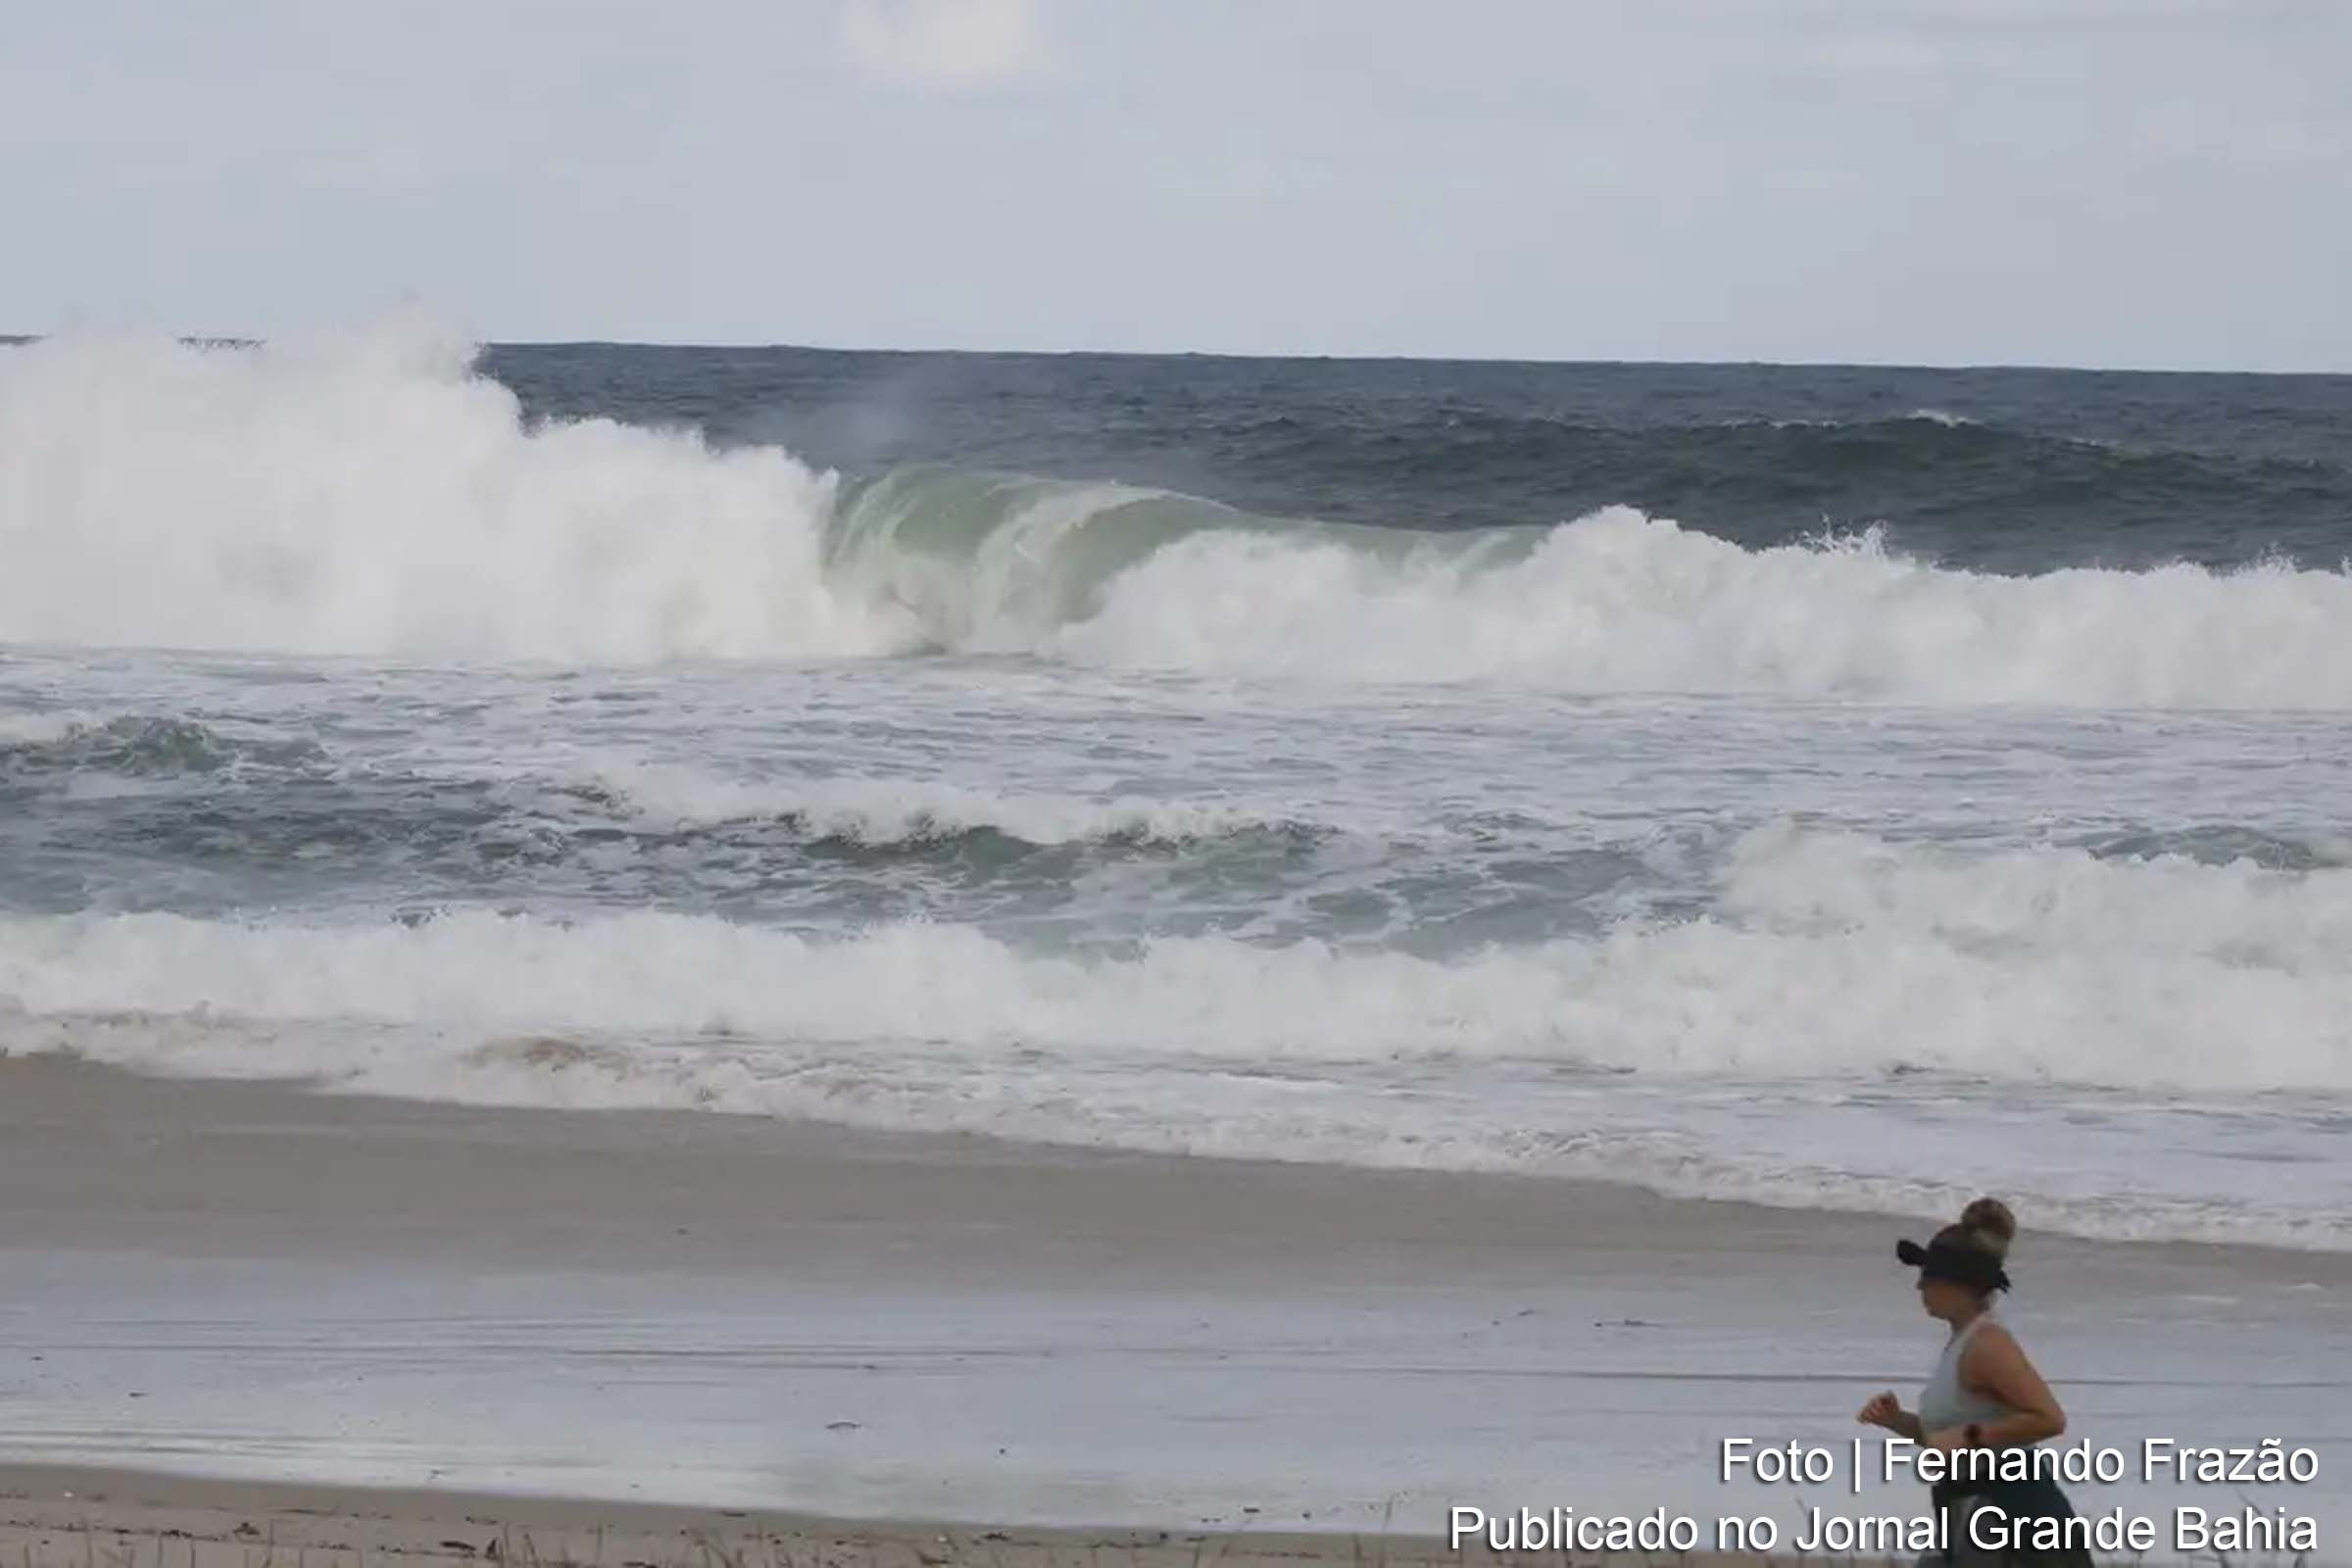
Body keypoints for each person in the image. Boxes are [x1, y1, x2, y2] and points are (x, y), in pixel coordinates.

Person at [1857, 1199, 2091, 1567]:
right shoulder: (1961, 1343)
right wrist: (1898, 1421)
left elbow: (2049, 1418)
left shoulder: (1988, 1344)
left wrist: (1966, 1437)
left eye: (1929, 1276)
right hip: (1967, 1506)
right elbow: (1950, 1439)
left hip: (2016, 1513)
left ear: (1960, 1284)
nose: (1919, 1286)